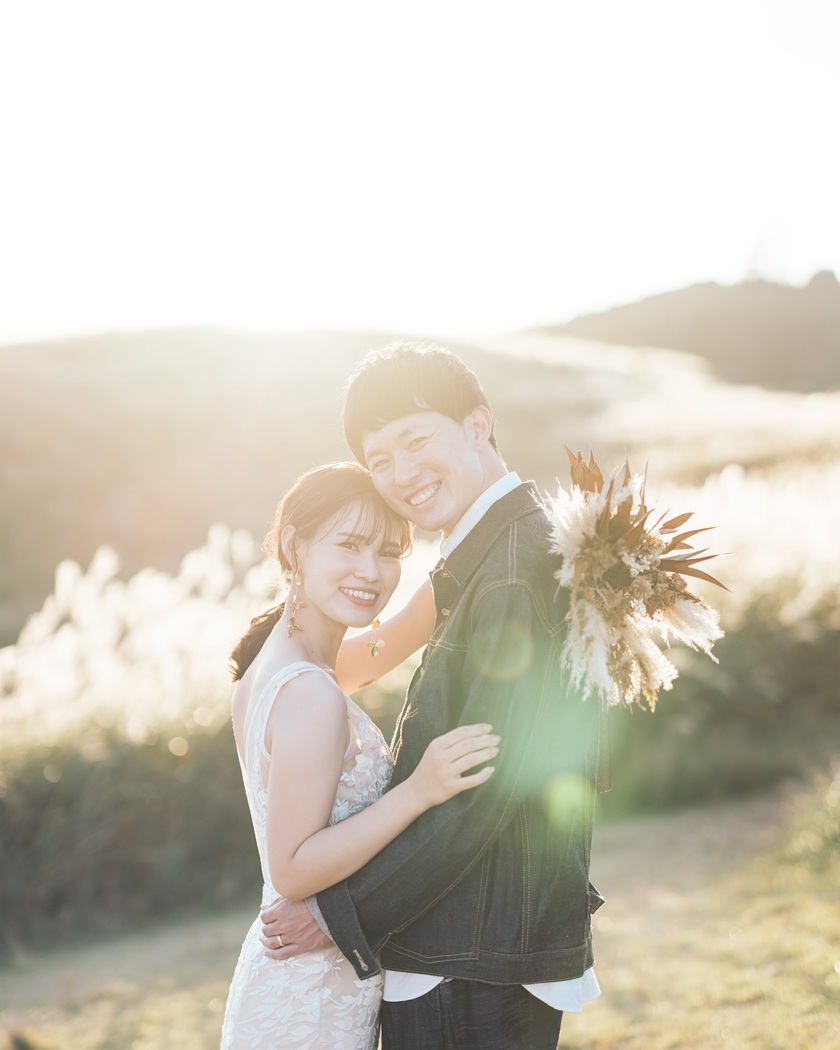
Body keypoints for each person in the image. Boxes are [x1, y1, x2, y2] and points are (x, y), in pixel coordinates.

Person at [261, 344, 604, 1049]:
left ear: (478, 424)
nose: (402, 475)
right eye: (380, 459)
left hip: (469, 953)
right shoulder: (486, 555)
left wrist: (337, 913)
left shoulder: (511, 569)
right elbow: (358, 660)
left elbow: (484, 787)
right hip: (467, 942)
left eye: (416, 440)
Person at [220, 461, 501, 1049]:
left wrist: (490, 515)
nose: (371, 572)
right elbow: (292, 869)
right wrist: (417, 792)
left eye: (390, 552)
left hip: (296, 984)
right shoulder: (310, 692)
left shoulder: (284, 665)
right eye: (349, 545)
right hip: (312, 1001)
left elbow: (405, 628)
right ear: (294, 547)